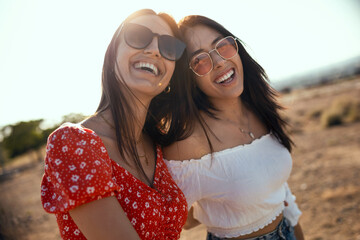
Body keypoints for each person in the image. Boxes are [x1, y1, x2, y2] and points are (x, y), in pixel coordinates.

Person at [40, 9, 190, 240]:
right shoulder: (74, 142)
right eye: (138, 36)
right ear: (112, 57)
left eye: (169, 47)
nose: (154, 50)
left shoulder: (159, 144)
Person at [163, 15, 305, 240]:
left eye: (222, 46)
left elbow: (282, 190)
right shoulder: (188, 142)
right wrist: (219, 208)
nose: (219, 61)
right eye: (199, 60)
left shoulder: (259, 107)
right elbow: (180, 222)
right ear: (189, 79)